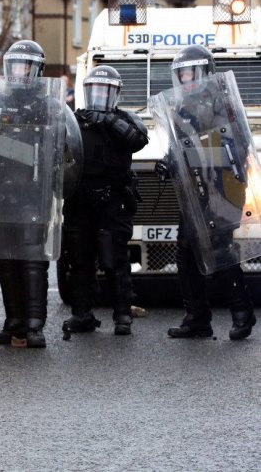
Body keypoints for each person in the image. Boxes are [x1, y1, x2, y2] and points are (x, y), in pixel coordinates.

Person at [155, 45, 257, 340]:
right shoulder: (181, 107)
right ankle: (197, 317)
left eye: (190, 74)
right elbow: (181, 147)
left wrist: (192, 157)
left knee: (220, 250)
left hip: (222, 187)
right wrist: (169, 163)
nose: (186, 80)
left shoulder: (222, 104)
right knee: (186, 253)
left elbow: (236, 147)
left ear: (204, 72)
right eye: (181, 75)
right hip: (194, 188)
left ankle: (242, 313)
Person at [61, 65, 148, 336]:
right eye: (95, 90)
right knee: (79, 259)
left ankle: (122, 315)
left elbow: (137, 140)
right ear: (87, 91)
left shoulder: (123, 120)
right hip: (79, 198)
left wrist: (109, 121)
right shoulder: (74, 120)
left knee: (114, 258)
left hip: (113, 200)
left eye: (105, 91)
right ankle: (82, 314)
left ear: (116, 94)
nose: (99, 95)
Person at [0, 40, 54, 348]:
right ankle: (13, 320)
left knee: (31, 258)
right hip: (2, 194)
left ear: (36, 70)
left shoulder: (47, 105)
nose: (19, 72)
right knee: (6, 258)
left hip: (33, 194)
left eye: (25, 66)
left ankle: (35, 323)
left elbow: (57, 150)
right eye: (15, 65)